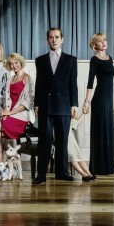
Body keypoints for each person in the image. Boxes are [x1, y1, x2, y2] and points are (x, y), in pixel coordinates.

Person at [33, 27, 78, 185]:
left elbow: (73, 83)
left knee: (62, 141)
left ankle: (62, 172)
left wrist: (74, 104)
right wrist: (37, 103)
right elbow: (39, 84)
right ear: (47, 40)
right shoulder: (40, 60)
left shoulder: (71, 60)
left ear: (62, 39)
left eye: (57, 37)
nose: (54, 40)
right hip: (45, 105)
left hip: (64, 105)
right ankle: (41, 175)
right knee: (44, 141)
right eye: (51, 37)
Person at [82, 32, 114, 175]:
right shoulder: (94, 60)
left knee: (108, 131)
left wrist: (113, 102)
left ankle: (108, 164)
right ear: (94, 45)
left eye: (104, 40)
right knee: (101, 130)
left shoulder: (110, 58)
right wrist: (86, 102)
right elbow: (90, 82)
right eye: (99, 41)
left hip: (108, 100)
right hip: (100, 99)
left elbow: (111, 83)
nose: (103, 42)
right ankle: (99, 166)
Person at [68, 114, 95, 181]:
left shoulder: (68, 119)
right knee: (72, 157)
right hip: (64, 141)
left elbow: (76, 123)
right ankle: (83, 174)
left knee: (79, 156)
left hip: (72, 141)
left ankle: (88, 173)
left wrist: (83, 114)